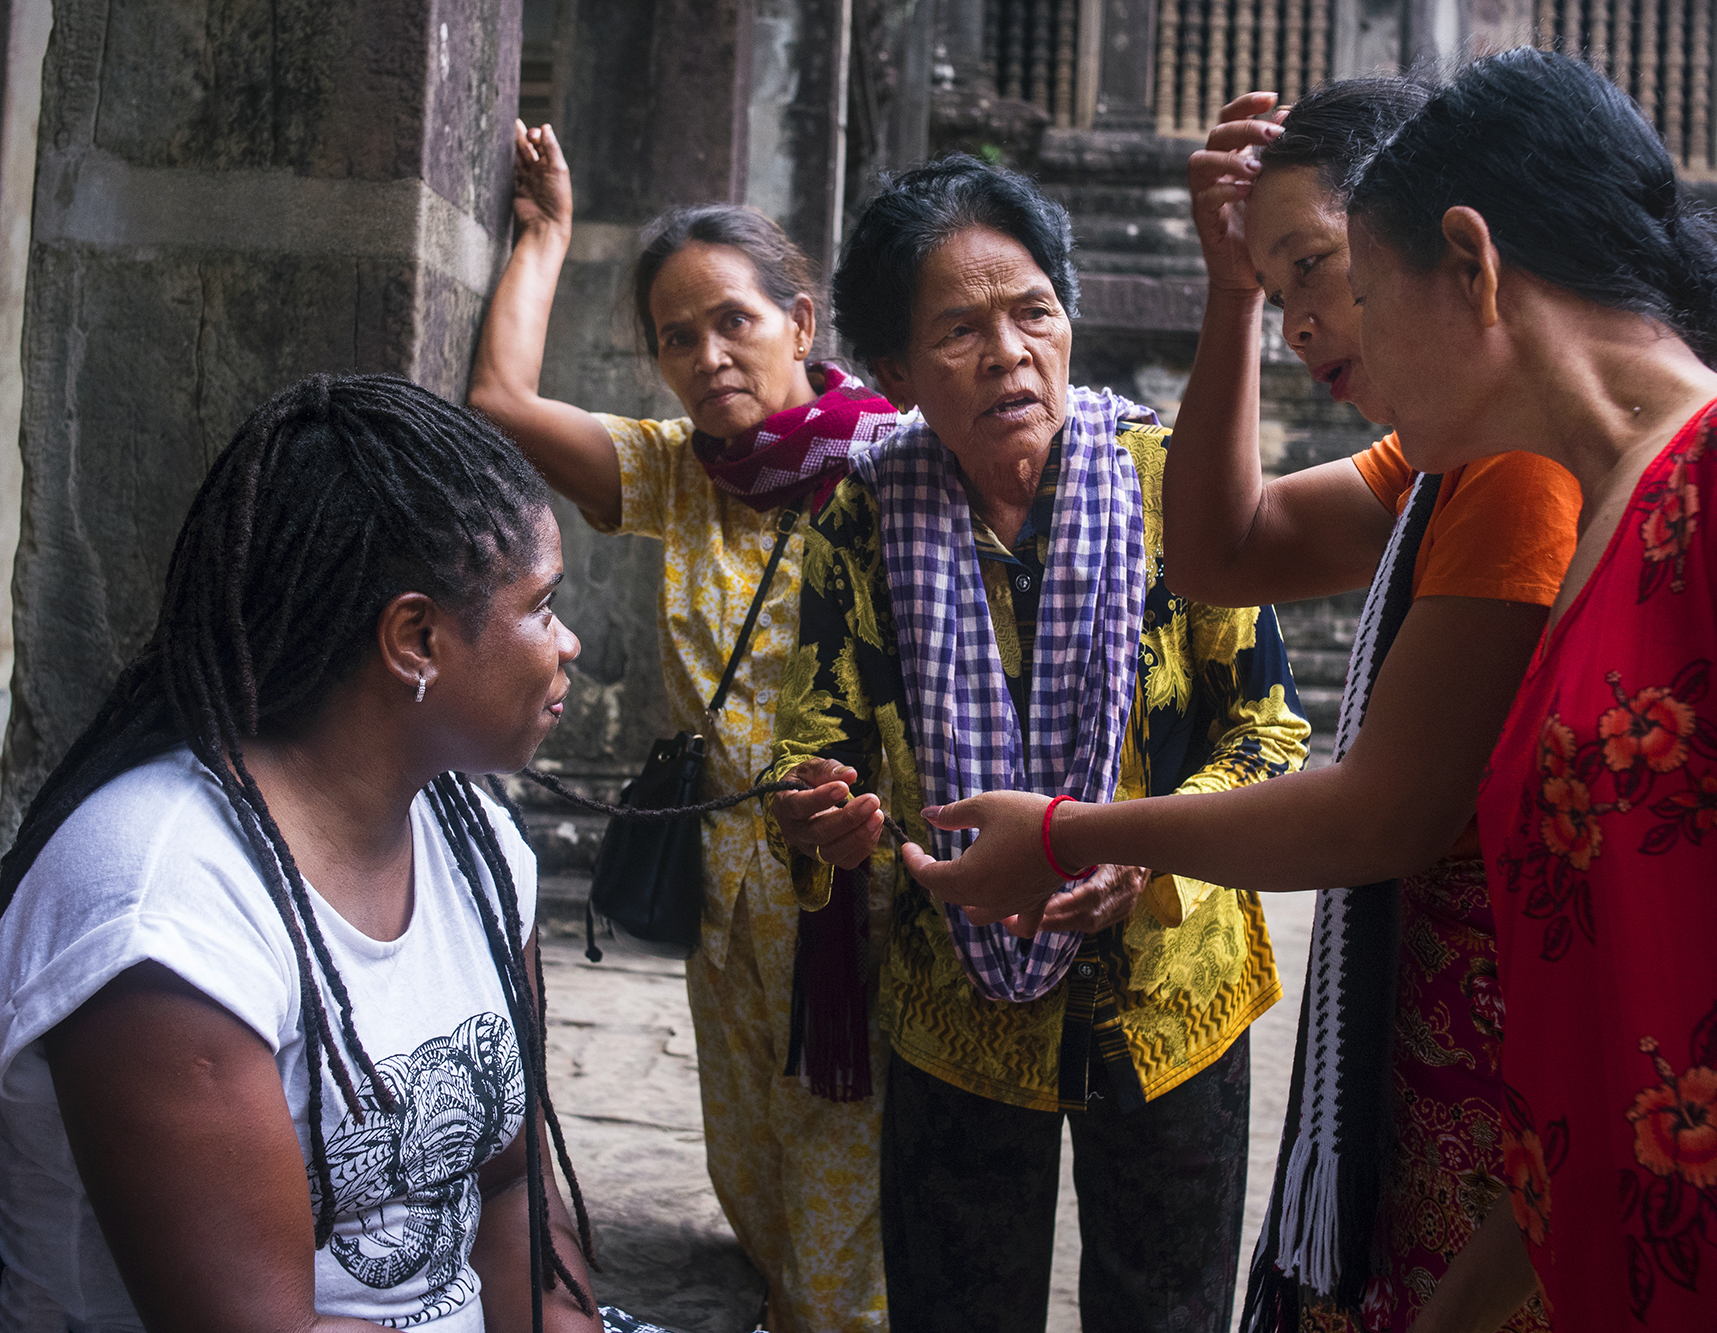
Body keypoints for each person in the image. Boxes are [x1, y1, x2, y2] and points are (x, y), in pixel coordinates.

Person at [912, 48, 1717, 1333]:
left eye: (1355, 286)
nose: (1334, 333)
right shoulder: (1597, 525)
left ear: (1471, 265)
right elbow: (1598, 1050)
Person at [761, 153, 1311, 1333]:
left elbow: (1266, 730)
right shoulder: (860, 514)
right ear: (897, 371)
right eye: (958, 329)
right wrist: (818, 808)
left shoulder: (1173, 483)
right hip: (955, 1004)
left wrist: (1144, 855)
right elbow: (813, 734)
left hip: (1169, 1001)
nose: (1007, 352)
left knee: (1162, 1308)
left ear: (1069, 323)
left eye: (1033, 314)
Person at [0, 375, 628, 1331]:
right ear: (415, 638)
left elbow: (512, 1189)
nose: (568, 641)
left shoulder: (477, 841)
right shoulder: (161, 913)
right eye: (542, 605)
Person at [1164, 78, 1580, 1333]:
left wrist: (1082, 835)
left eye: (1312, 269)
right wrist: (1229, 294)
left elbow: (1379, 815)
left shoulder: (1515, 464)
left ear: (1438, 245)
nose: (1298, 322)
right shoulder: (1445, 451)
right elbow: (1219, 553)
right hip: (1437, 1041)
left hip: (1500, 1068)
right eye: (1276, 291)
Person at [468, 122, 897, 1332]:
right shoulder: (675, 473)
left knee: (840, 1163)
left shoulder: (898, 466)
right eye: (675, 334)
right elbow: (498, 401)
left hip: (854, 884)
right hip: (728, 888)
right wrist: (545, 231)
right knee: (752, 1154)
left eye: (734, 322)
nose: (707, 355)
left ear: (799, 325)